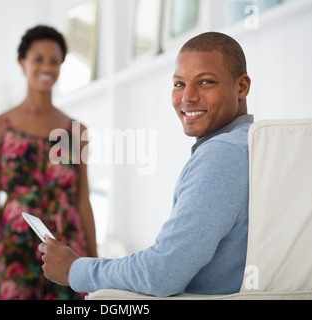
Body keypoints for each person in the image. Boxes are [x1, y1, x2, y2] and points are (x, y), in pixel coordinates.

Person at [38, 32, 254, 296]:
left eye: (206, 82)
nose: (187, 97)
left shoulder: (221, 154)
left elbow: (162, 273)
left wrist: (75, 269)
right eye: (179, 84)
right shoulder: (252, 145)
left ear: (241, 87)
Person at [0, 25, 98, 300]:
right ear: (23, 64)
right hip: (13, 248)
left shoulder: (77, 131)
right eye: (38, 59)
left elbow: (83, 200)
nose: (47, 67)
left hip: (67, 249)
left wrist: (95, 262)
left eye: (54, 61)